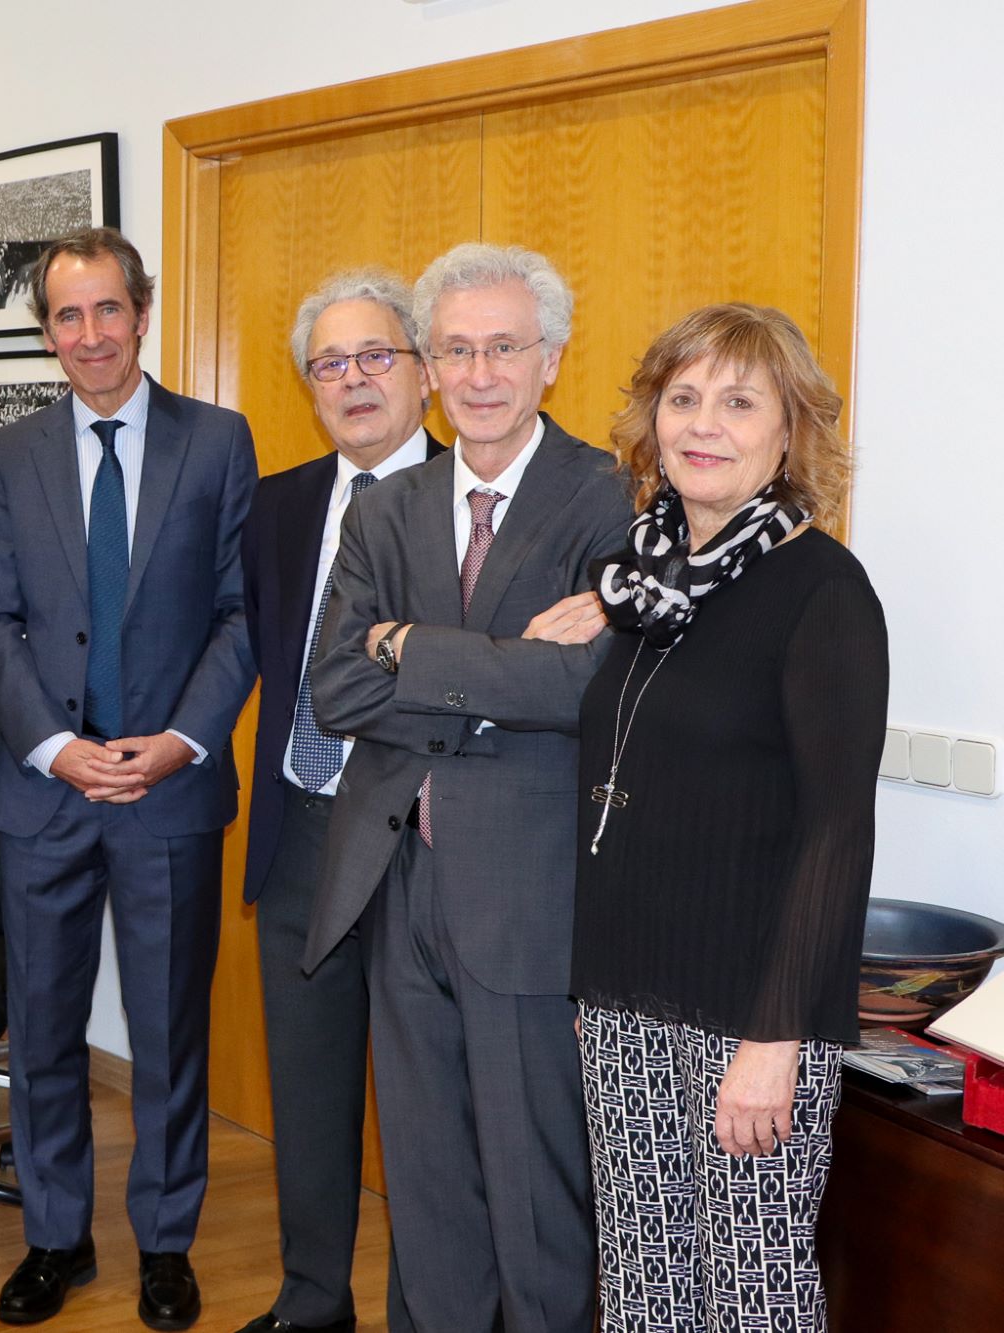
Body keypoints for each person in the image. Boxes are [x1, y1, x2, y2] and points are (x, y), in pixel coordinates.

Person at [304, 242, 629, 1332]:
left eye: (504, 348)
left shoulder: (611, 496)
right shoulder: (385, 508)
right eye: (456, 350)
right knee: (428, 1179)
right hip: (396, 878)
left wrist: (406, 644)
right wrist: (496, 671)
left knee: (536, 1195)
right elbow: (335, 685)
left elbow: (582, 685)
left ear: (551, 359)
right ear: (429, 367)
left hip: (529, 891)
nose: (479, 374)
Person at [573, 302, 887, 1330]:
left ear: (789, 432)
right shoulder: (645, 583)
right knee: (640, 1276)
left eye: (739, 402)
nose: (702, 423)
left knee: (749, 1288)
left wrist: (775, 1037)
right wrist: (596, 983)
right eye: (683, 397)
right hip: (624, 993)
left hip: (751, 1008)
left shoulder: (822, 590)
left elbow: (836, 831)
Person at [0, 226, 257, 1331]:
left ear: (141, 312)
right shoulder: (10, 454)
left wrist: (181, 738)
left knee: (168, 1033)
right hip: (45, 790)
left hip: (168, 792)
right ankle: (55, 1236)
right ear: (46, 332)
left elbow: (240, 613)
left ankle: (167, 1244)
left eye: (106, 309)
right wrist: (54, 745)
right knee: (42, 1032)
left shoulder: (216, 442)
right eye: (65, 315)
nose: (88, 334)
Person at [235, 268, 441, 1333]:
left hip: (418, 845)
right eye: (329, 364)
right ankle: (311, 1300)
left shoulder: (471, 496)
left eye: (375, 356)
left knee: (423, 1109)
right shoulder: (279, 504)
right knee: (307, 1093)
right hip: (301, 830)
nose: (353, 380)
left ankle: (423, 1309)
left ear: (423, 372)